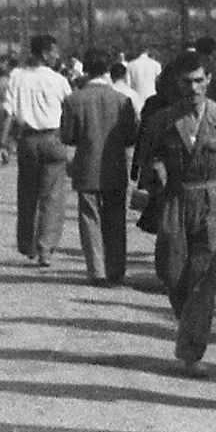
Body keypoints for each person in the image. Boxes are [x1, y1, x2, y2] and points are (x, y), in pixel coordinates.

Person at [136, 51, 216, 378]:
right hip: (175, 199)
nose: (193, 88)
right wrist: (156, 169)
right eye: (187, 82)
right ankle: (190, 326)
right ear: (177, 83)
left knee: (203, 278)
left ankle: (192, 352)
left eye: (199, 81)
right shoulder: (162, 120)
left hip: (213, 202)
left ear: (208, 81)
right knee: (171, 272)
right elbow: (145, 163)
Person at [60, 49, 139, 287]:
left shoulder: (74, 99)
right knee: (116, 219)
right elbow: (131, 136)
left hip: (86, 167)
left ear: (85, 70)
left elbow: (67, 137)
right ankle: (116, 270)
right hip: (115, 167)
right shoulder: (122, 100)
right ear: (107, 70)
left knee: (90, 218)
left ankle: (97, 270)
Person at [4, 35, 74, 266]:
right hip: (53, 140)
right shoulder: (59, 80)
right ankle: (45, 249)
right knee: (52, 198)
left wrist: (5, 143)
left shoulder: (17, 77)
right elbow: (70, 109)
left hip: (27, 140)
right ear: (44, 53)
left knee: (27, 195)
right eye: (54, 52)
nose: (57, 56)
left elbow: (9, 112)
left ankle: (28, 245)